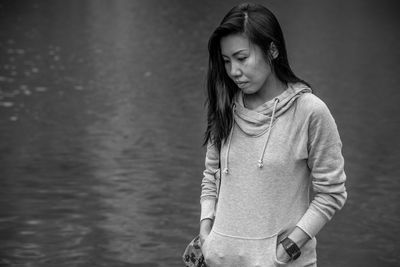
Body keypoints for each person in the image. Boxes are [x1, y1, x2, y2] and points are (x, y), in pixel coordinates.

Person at [199, 3, 347, 267]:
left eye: (242, 58)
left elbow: (331, 193)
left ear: (273, 50)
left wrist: (287, 249)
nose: (233, 71)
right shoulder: (224, 108)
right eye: (226, 61)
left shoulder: (310, 112)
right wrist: (206, 233)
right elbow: (212, 176)